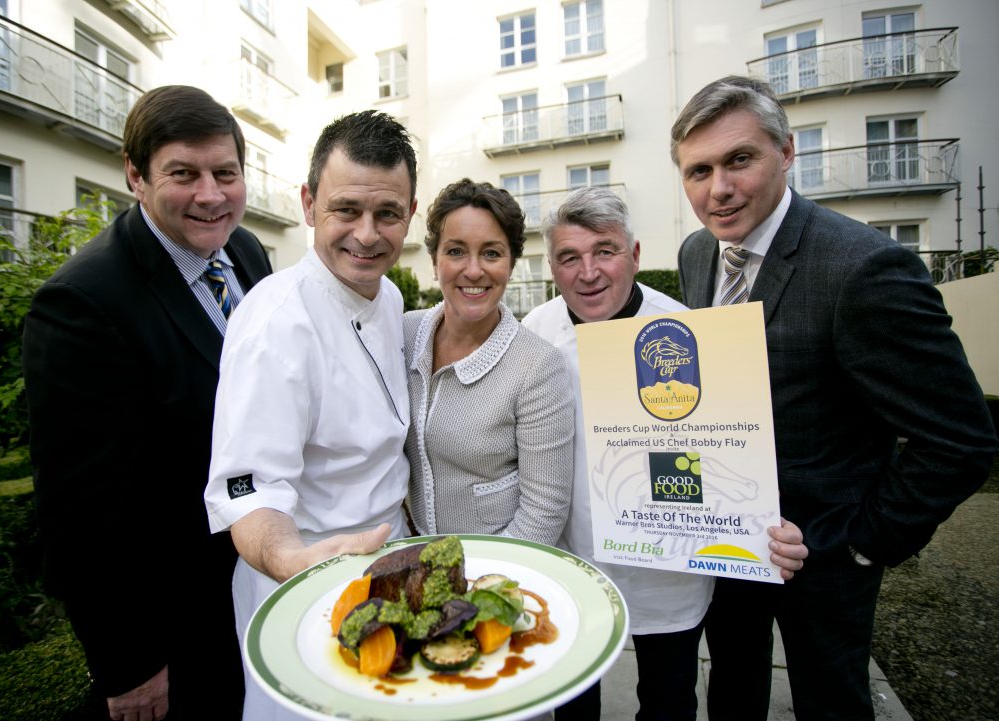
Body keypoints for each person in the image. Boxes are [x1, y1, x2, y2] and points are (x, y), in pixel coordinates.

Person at [673, 75, 998, 721]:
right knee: (732, 688)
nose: (719, 188)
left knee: (832, 701)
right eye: (698, 170)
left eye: (740, 159)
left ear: (787, 152)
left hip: (825, 562)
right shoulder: (697, 254)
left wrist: (859, 542)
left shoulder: (863, 267)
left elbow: (961, 438)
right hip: (725, 542)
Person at [22, 85, 273, 720]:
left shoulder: (245, 252)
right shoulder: (83, 303)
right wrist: (128, 662)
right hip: (177, 620)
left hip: (262, 576)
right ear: (135, 175)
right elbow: (79, 512)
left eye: (225, 173)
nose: (211, 195)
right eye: (183, 174)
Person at [522, 186, 808, 721]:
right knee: (572, 702)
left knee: (668, 700)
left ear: (634, 256)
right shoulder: (533, 333)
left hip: (668, 572)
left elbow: (728, 451)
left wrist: (760, 526)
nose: (588, 273)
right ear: (552, 268)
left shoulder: (688, 333)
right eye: (569, 257)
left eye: (604, 251)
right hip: (574, 561)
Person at [203, 110, 418, 720]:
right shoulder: (276, 325)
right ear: (307, 202)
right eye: (346, 210)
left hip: (392, 566)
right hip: (306, 583)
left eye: (388, 214)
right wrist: (296, 563)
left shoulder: (390, 294)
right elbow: (249, 491)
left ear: (411, 212)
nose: (368, 235)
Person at [404, 178, 574, 545]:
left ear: (511, 265)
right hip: (410, 551)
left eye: (492, 253)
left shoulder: (538, 366)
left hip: (495, 569)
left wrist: (487, 584)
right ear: (434, 261)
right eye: (456, 251)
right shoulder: (402, 335)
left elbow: (544, 510)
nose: (474, 270)